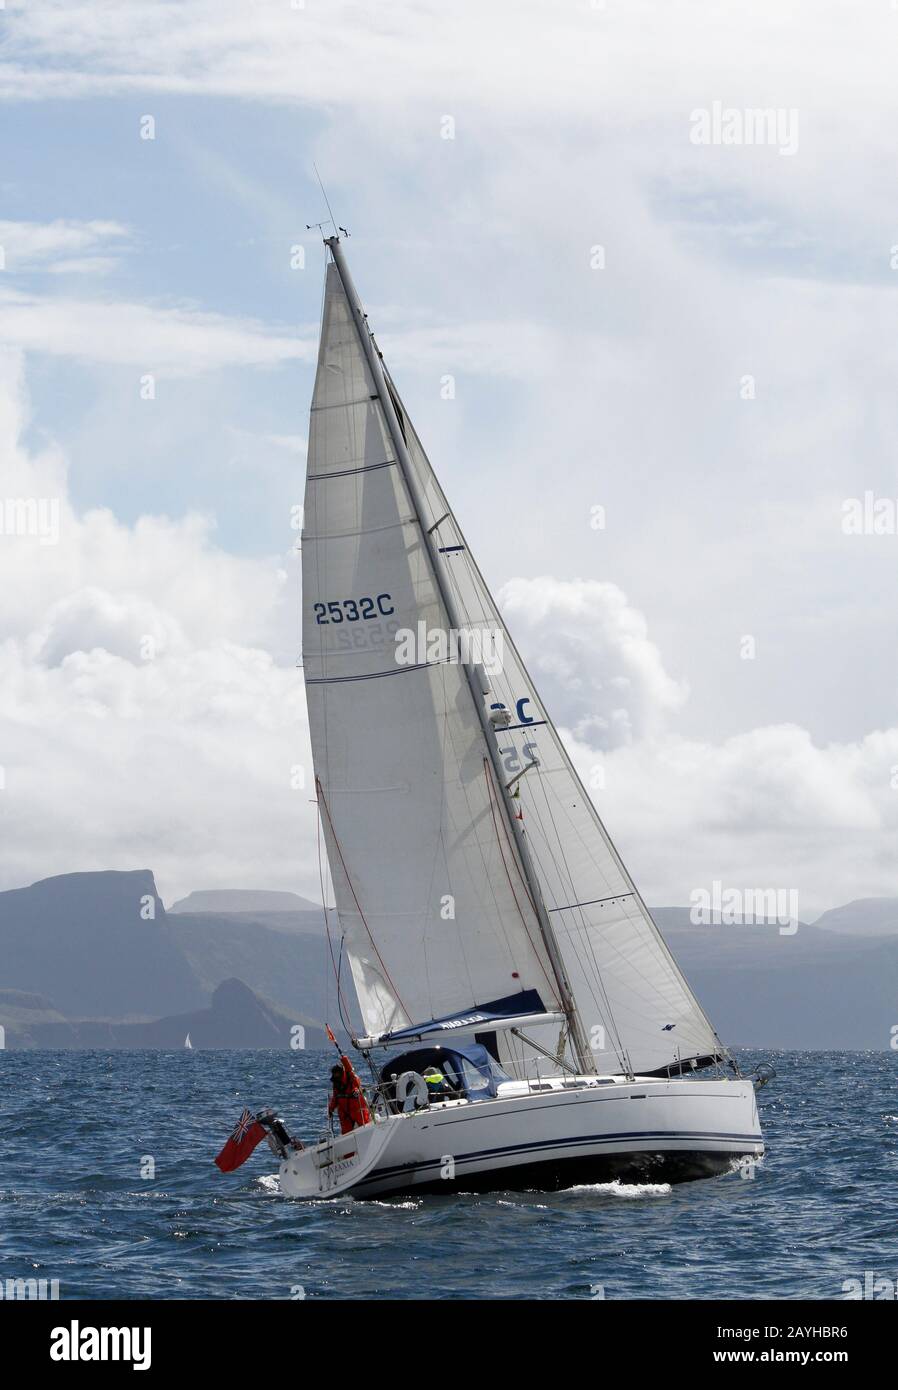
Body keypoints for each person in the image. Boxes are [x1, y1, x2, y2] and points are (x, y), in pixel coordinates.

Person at [328, 1054, 372, 1135]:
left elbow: (356, 1084)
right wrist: (330, 1109)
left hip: (357, 1108)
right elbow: (335, 1098)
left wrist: (344, 1058)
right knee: (346, 1134)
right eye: (335, 1074)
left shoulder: (352, 1078)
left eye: (337, 1073)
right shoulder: (336, 1085)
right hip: (344, 1112)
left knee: (366, 1127)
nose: (336, 1075)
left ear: (342, 1072)